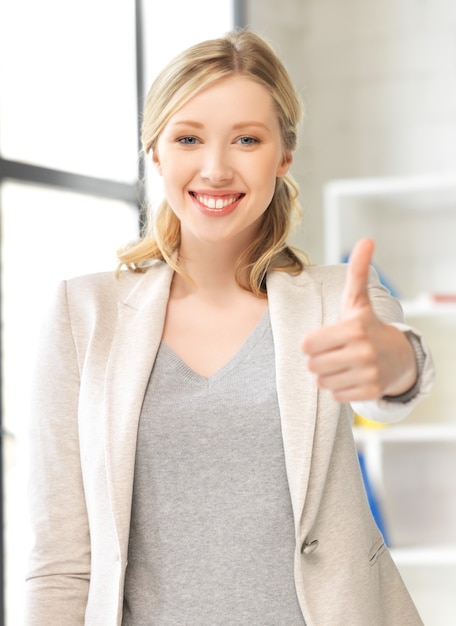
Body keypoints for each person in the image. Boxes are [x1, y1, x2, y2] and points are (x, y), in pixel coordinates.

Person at [25, 30, 434, 626]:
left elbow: (394, 383)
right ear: (157, 152)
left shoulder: (336, 297)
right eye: (188, 138)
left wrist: (393, 361)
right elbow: (60, 560)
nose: (216, 169)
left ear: (283, 155)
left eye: (247, 139)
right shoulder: (82, 314)